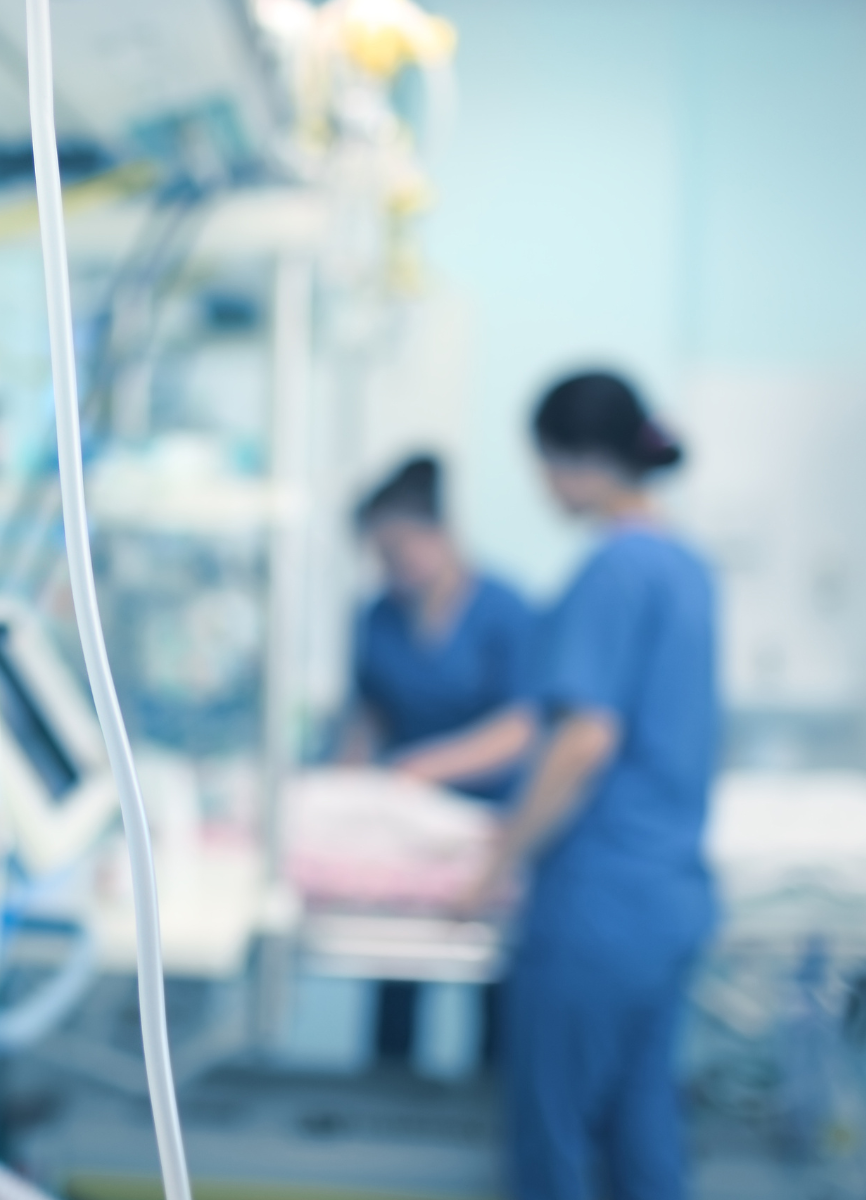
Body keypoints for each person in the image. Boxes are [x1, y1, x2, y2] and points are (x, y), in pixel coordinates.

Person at [461, 371, 717, 1200]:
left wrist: (500, 861)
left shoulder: (612, 571)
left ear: (569, 460)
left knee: (554, 1145)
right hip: (670, 898)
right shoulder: (687, 566)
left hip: (597, 904)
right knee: (642, 1132)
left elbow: (582, 741)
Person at [337, 454, 539, 799]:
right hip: (405, 806)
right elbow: (367, 719)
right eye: (381, 554)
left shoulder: (505, 610)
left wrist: (423, 769)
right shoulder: (378, 618)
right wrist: (342, 789)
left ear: (442, 533)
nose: (391, 564)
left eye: (399, 548)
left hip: (490, 808)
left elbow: (524, 726)